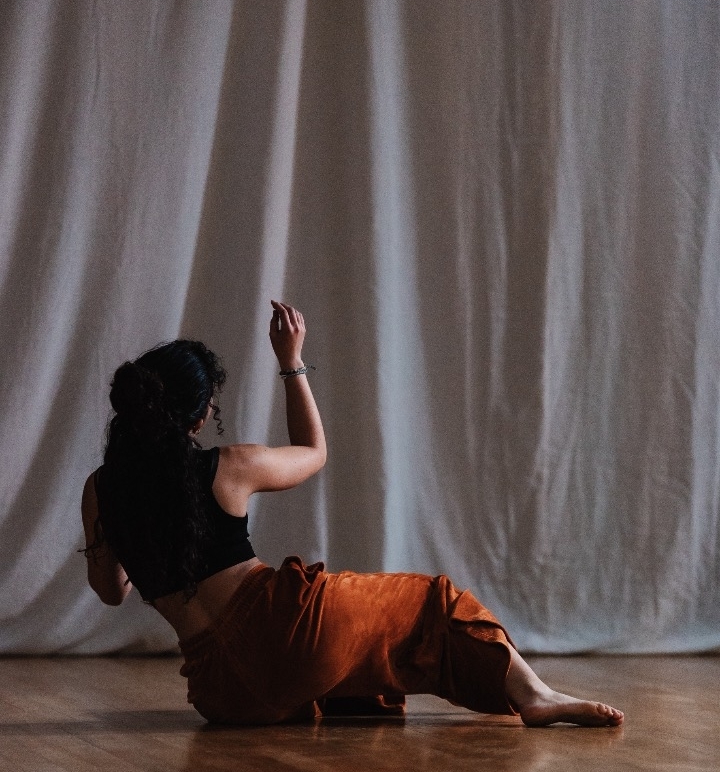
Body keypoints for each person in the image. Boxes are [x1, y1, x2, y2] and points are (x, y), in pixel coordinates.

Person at [81, 301, 624, 728]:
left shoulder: (102, 490)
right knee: (434, 603)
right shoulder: (230, 466)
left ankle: (340, 689)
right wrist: (291, 362)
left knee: (362, 661)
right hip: (292, 635)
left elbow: (111, 591)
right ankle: (535, 695)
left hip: (223, 696)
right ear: (197, 418)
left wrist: (138, 538)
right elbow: (313, 452)